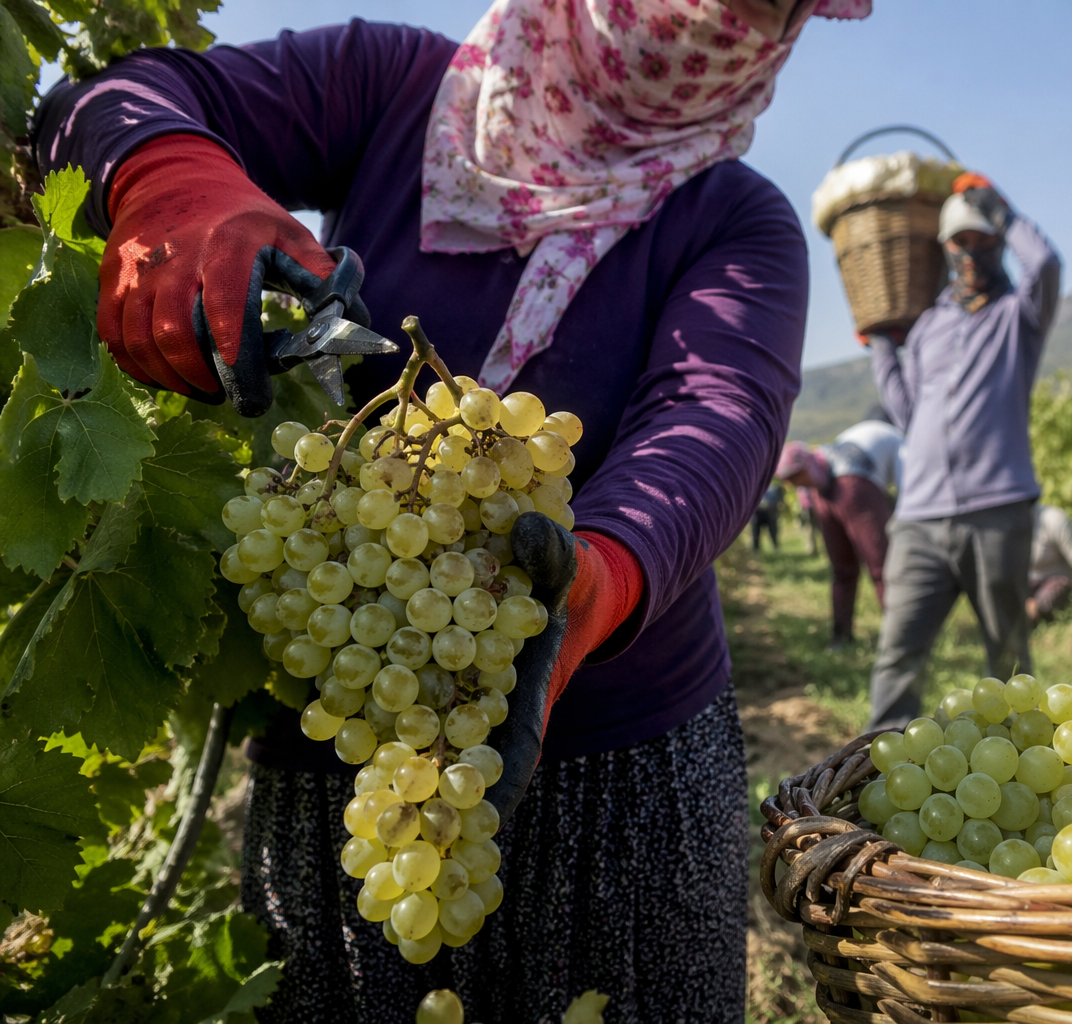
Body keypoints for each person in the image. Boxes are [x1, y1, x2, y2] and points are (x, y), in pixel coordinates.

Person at [33, 1, 871, 1020]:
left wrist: (599, 579)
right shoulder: (388, 87)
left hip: (632, 764)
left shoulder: (739, 218)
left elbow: (714, 418)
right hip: (357, 743)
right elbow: (102, 102)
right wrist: (170, 179)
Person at [864, 173, 1062, 730]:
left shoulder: (1016, 318)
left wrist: (1001, 206)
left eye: (982, 241)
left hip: (998, 512)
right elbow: (907, 413)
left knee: (1008, 653)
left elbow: (1045, 265)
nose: (971, 253)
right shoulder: (929, 325)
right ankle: (874, 767)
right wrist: (881, 347)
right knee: (898, 653)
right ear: (945, 249)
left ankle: (1019, 758)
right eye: (960, 242)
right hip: (920, 518)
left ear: (997, 244)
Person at [776, 416, 899, 647]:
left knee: (844, 570)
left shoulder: (854, 439)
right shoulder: (892, 436)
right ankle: (899, 637)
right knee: (881, 567)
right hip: (854, 486)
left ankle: (841, 638)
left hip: (829, 490)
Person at [752, 482, 784, 551]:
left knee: (773, 528)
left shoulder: (775, 487)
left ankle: (775, 545)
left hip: (770, 512)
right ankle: (756, 548)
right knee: (755, 527)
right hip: (758, 513)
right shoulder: (755, 486)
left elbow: (780, 501)